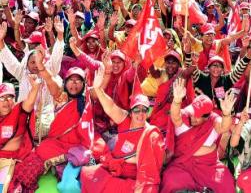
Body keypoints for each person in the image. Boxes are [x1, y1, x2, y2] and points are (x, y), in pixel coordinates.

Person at [80, 52, 165, 192]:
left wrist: (126, 161)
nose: (141, 114)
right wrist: (98, 90)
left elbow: (152, 165)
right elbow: (111, 107)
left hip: (133, 177)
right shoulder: (125, 119)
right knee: (87, 175)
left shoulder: (151, 134)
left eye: (144, 110)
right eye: (137, 110)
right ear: (131, 112)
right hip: (113, 169)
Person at [10, 49, 92, 192]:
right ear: (65, 83)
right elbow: (49, 80)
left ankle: (64, 166)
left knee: (89, 158)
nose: (74, 84)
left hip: (79, 145)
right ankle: (63, 165)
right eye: (71, 81)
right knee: (41, 149)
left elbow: (101, 87)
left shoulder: (87, 99)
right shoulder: (61, 97)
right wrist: (41, 66)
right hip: (58, 143)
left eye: (78, 81)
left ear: (84, 84)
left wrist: (106, 72)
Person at [160, 78, 236, 193]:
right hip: (182, 165)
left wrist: (226, 114)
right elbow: (175, 116)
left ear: (206, 117)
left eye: (197, 116)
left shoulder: (213, 120)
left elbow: (224, 127)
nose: (193, 117)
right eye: (193, 113)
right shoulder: (187, 114)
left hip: (208, 165)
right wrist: (177, 100)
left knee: (226, 183)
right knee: (172, 182)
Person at [0, 80, 39, 192]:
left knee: (2, 188)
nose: (6, 101)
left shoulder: (18, 113)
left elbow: (30, 102)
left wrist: (35, 87)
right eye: (2, 97)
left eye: (10, 97)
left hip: (8, 160)